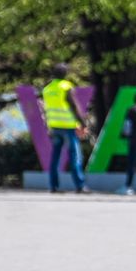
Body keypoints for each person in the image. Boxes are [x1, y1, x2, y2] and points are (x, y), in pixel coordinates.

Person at [42, 63, 90, 194]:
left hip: (54, 127)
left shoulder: (47, 89)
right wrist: (83, 124)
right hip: (68, 127)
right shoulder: (66, 87)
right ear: (65, 74)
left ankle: (53, 186)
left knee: (55, 157)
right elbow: (74, 107)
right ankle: (80, 186)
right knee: (75, 156)